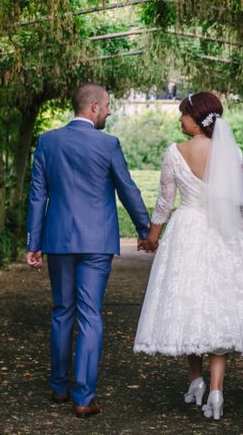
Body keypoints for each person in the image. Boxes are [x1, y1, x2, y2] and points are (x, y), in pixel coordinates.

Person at [133, 92, 243, 421]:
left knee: (189, 306)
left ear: (196, 117)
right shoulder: (234, 154)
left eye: (183, 114)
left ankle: (195, 381)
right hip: (227, 235)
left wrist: (151, 238)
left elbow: (163, 203)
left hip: (187, 232)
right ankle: (216, 390)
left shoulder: (175, 152)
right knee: (221, 312)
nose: (179, 120)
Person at [26, 83, 151, 419]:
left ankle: (58, 388)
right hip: (96, 242)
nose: (110, 111)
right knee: (90, 314)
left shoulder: (48, 142)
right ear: (93, 107)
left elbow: (38, 196)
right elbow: (127, 189)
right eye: (108, 105)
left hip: (58, 241)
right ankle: (84, 397)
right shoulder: (108, 144)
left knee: (62, 311)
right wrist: (145, 230)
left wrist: (33, 243)